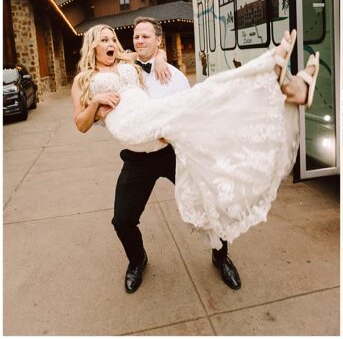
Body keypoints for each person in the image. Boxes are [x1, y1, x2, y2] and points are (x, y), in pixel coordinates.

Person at [72, 21, 318, 292]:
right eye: (104, 40)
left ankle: (221, 257)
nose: (112, 44)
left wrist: (162, 59)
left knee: (213, 190)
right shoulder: (84, 80)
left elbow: (150, 58)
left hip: (169, 147)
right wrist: (95, 103)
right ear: (92, 45)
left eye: (112, 39)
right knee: (122, 220)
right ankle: (137, 260)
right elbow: (81, 124)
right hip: (136, 148)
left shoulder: (136, 64)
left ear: (158, 41)